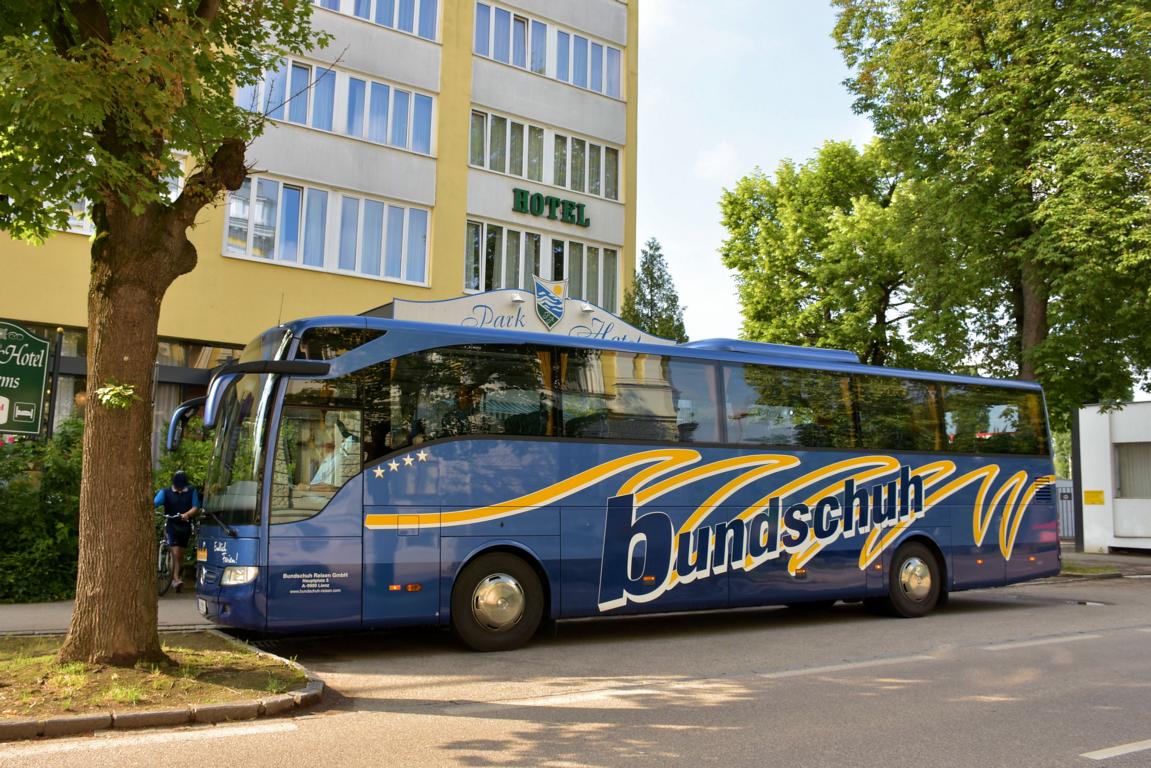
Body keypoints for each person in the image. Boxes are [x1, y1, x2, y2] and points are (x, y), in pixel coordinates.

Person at [154, 470, 199, 594]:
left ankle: (176, 574)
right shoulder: (166, 492)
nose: (179, 489)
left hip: (184, 525)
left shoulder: (191, 491)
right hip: (171, 524)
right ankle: (176, 578)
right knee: (175, 551)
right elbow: (155, 503)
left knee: (180, 554)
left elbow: (196, 506)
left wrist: (187, 514)